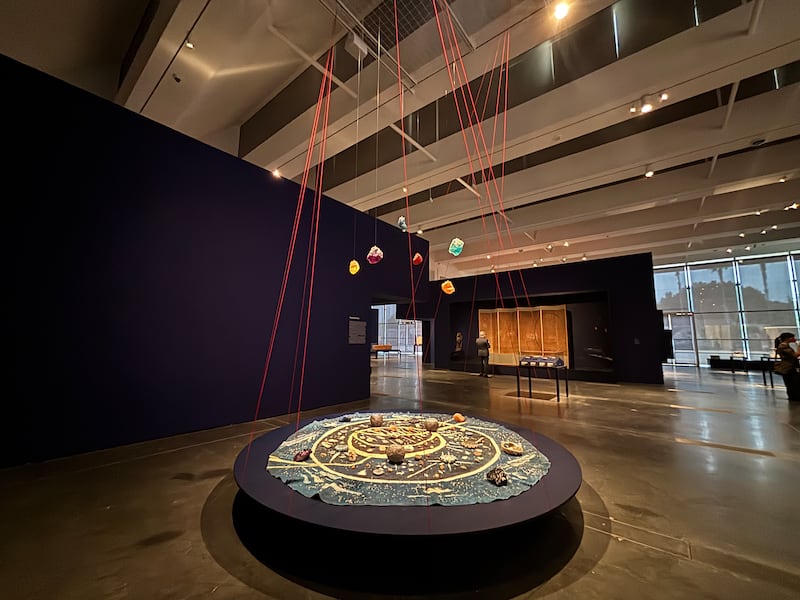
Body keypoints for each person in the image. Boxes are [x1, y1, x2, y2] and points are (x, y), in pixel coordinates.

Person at [774, 332, 800, 401]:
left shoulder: (785, 345)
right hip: (788, 367)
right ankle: (794, 397)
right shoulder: (783, 346)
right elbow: (795, 355)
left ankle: (794, 396)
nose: (794, 339)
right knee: (792, 383)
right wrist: (799, 348)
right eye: (792, 337)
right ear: (787, 338)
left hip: (790, 367)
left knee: (792, 382)